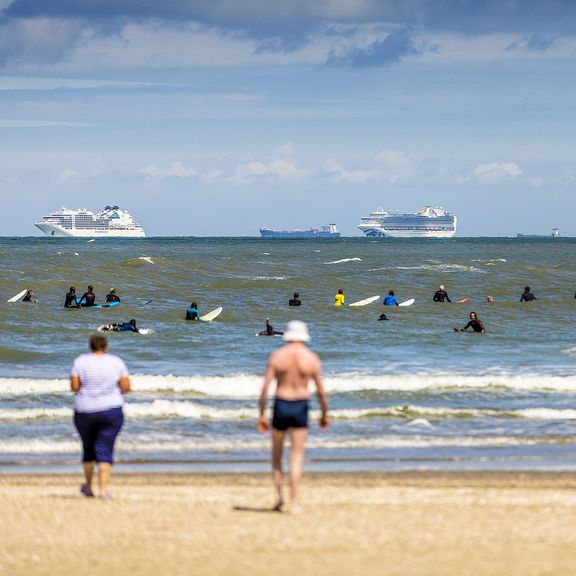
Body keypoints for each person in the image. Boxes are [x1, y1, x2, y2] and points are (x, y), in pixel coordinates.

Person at [258, 320, 329, 514]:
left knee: (277, 455)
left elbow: (264, 389)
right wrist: (325, 414)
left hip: (281, 404)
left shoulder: (277, 356)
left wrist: (262, 415)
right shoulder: (311, 358)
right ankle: (294, 502)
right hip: (300, 406)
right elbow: (321, 392)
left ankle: (279, 497)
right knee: (296, 456)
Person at [71, 334, 130, 499]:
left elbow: (74, 387)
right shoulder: (116, 362)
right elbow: (126, 387)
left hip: (85, 409)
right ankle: (103, 491)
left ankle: (89, 488)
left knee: (88, 448)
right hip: (110, 409)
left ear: (90, 346)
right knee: (105, 448)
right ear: (105, 346)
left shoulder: (80, 361)